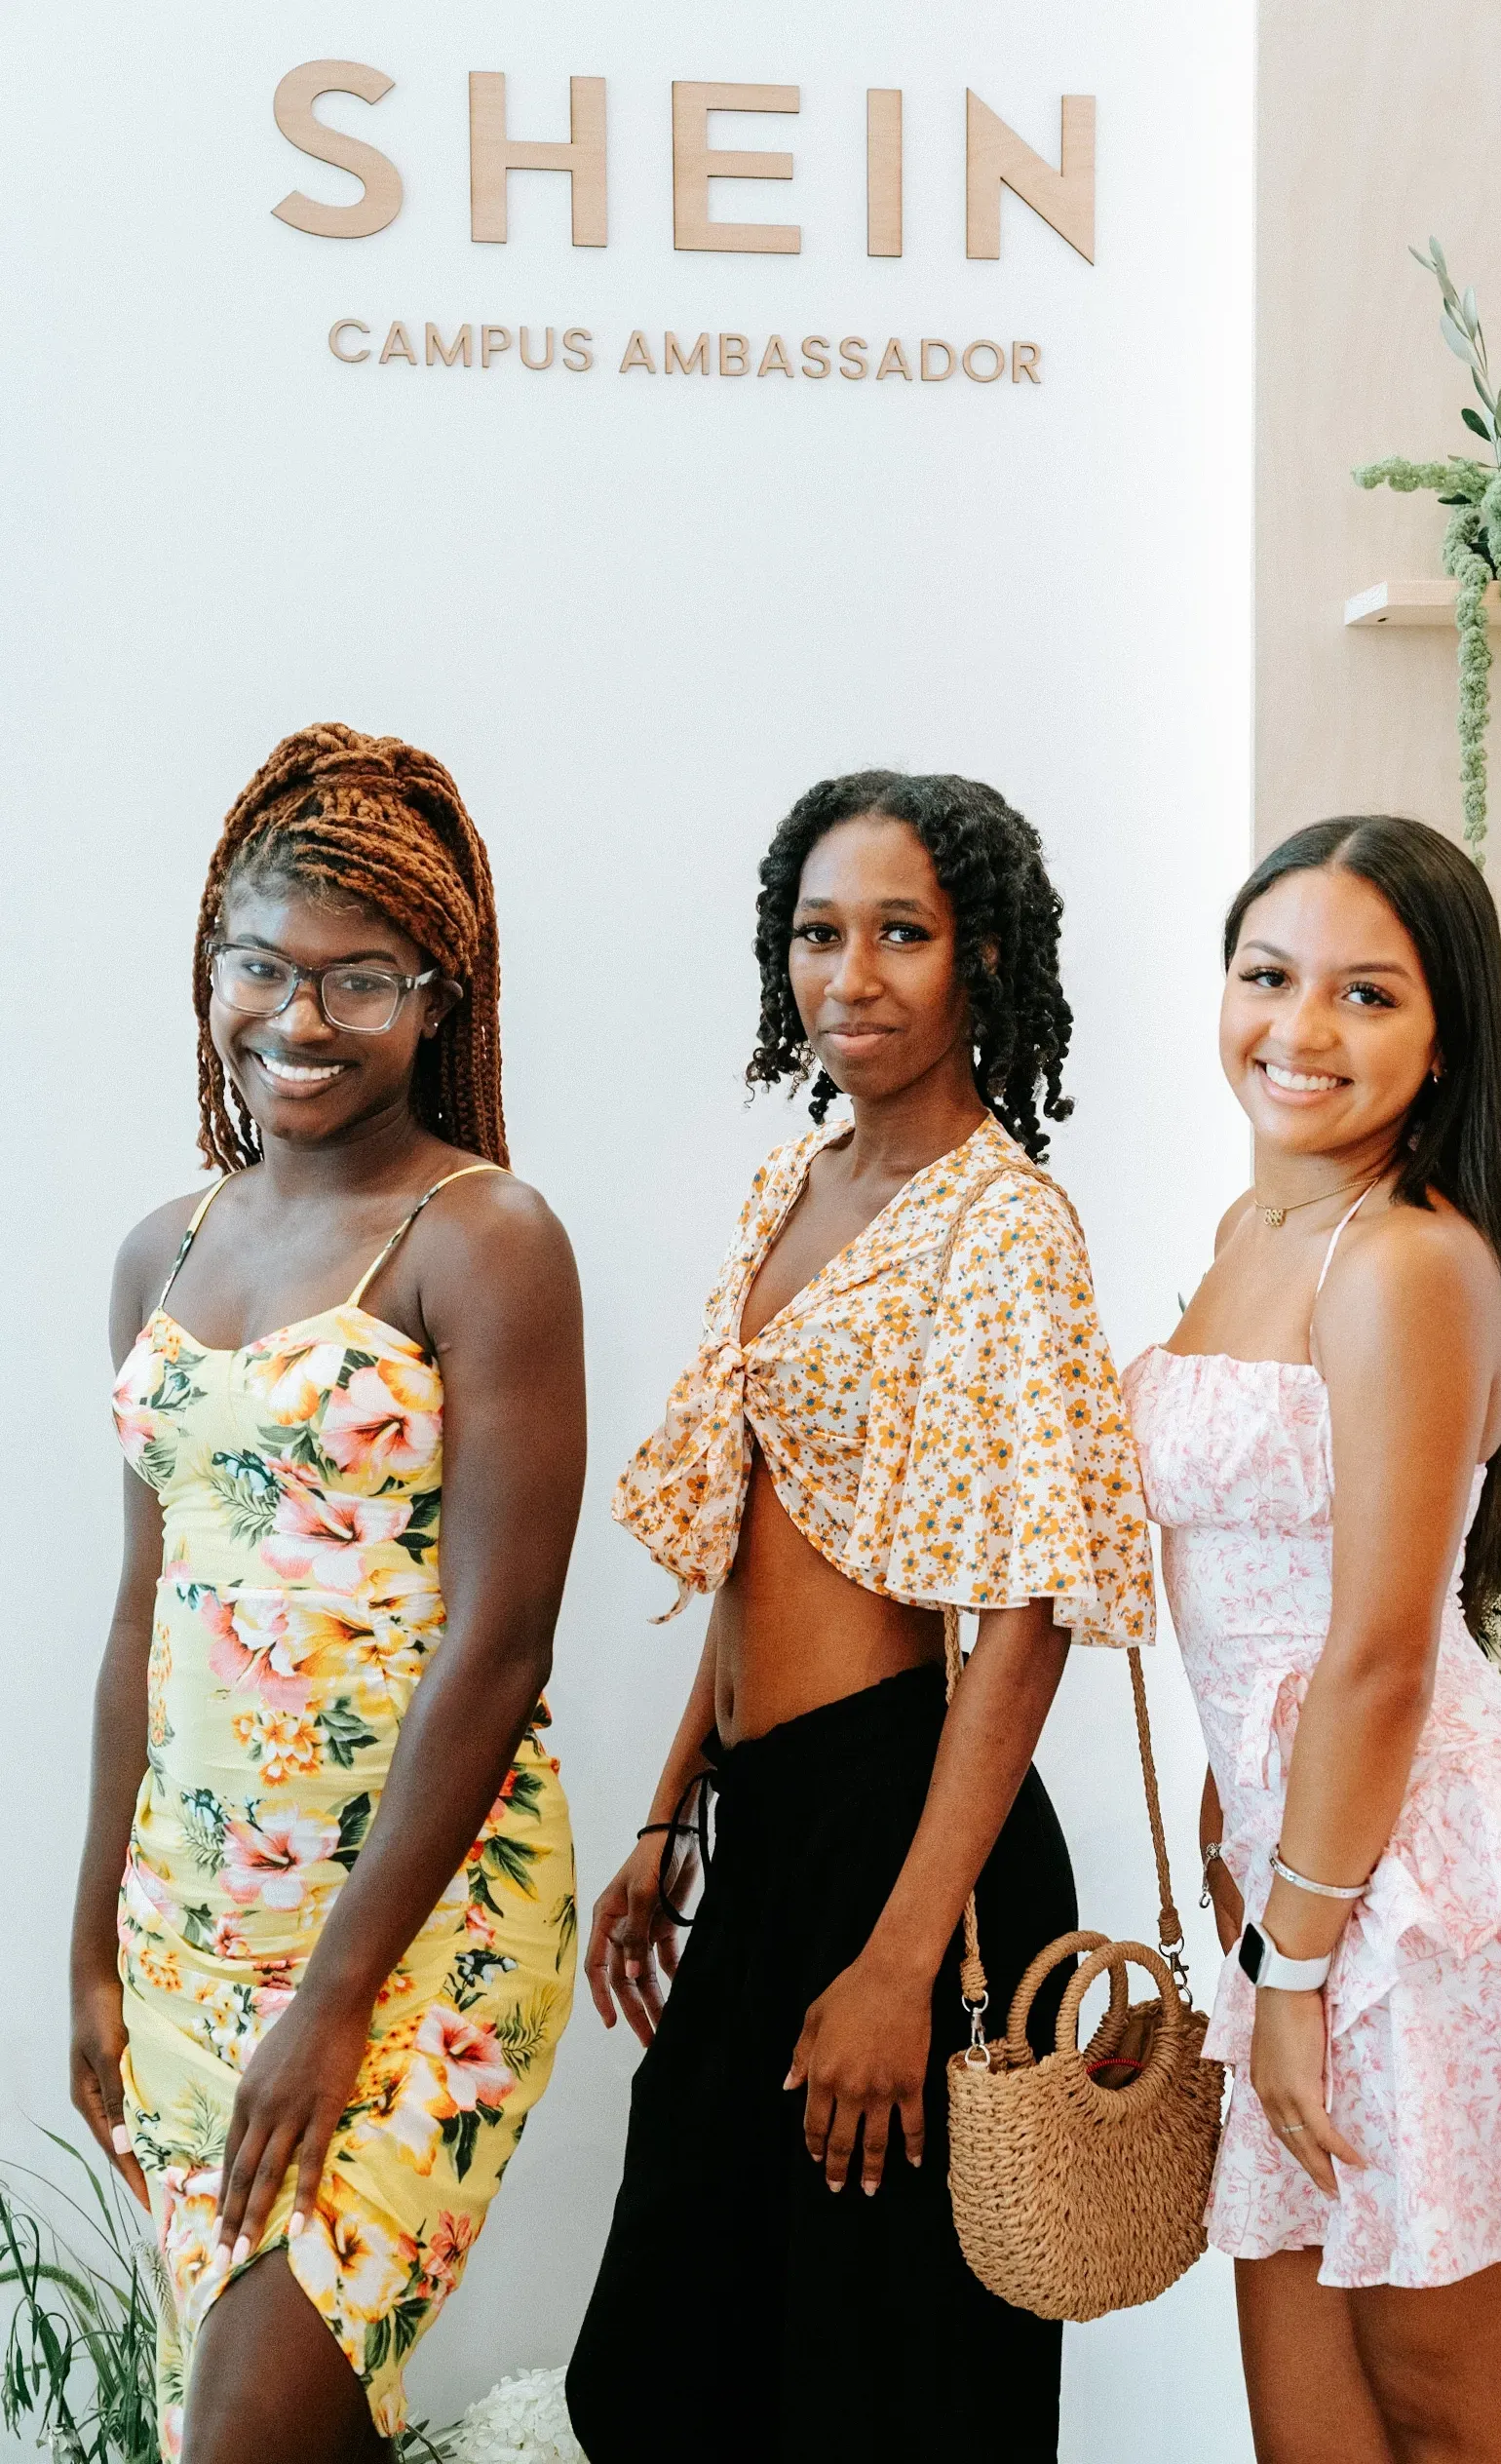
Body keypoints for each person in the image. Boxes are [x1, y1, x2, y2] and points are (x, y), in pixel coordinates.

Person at [565, 772, 1154, 2462]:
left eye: (904, 933)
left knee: (882, 2381)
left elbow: (1028, 1616)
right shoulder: (794, 1188)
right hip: (771, 1823)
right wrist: (678, 1805)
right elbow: (761, 1536)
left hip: (910, 1837)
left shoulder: (1004, 1225)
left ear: (985, 960)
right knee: (678, 2364)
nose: (854, 976)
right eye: (820, 934)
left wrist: (900, 1962)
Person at [70, 724, 585, 2464]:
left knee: (247, 2435)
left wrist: (339, 1996)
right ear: (210, 962)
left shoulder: (479, 1235)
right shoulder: (167, 1247)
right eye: (261, 968)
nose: (299, 1020)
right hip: (190, 1929)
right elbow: (145, 1620)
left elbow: (503, 1643)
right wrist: (90, 1951)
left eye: (360, 980)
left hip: (412, 1930)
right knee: (272, 2421)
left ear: (440, 995)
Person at [1122, 815, 1501, 2464]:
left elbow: (1381, 1654)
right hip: (1298, 1884)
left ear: (1443, 1038)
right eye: (1267, 976)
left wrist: (1292, 1969)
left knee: (1451, 2418)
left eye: (1366, 994)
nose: (1299, 1030)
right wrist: (1240, 1852)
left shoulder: (1407, 1260)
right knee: (1311, 2428)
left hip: (1431, 1902)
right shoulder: (1244, 1237)